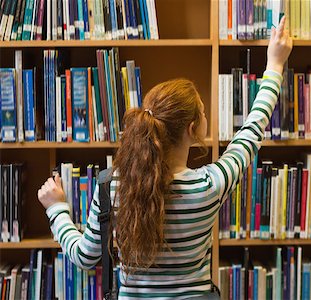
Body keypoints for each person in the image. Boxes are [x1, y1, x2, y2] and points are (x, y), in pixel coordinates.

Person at [37, 16, 292, 300]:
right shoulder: (209, 186)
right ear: (192, 129)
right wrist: (275, 65)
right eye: (203, 112)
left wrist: (56, 208)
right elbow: (252, 129)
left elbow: (83, 257)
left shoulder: (112, 187)